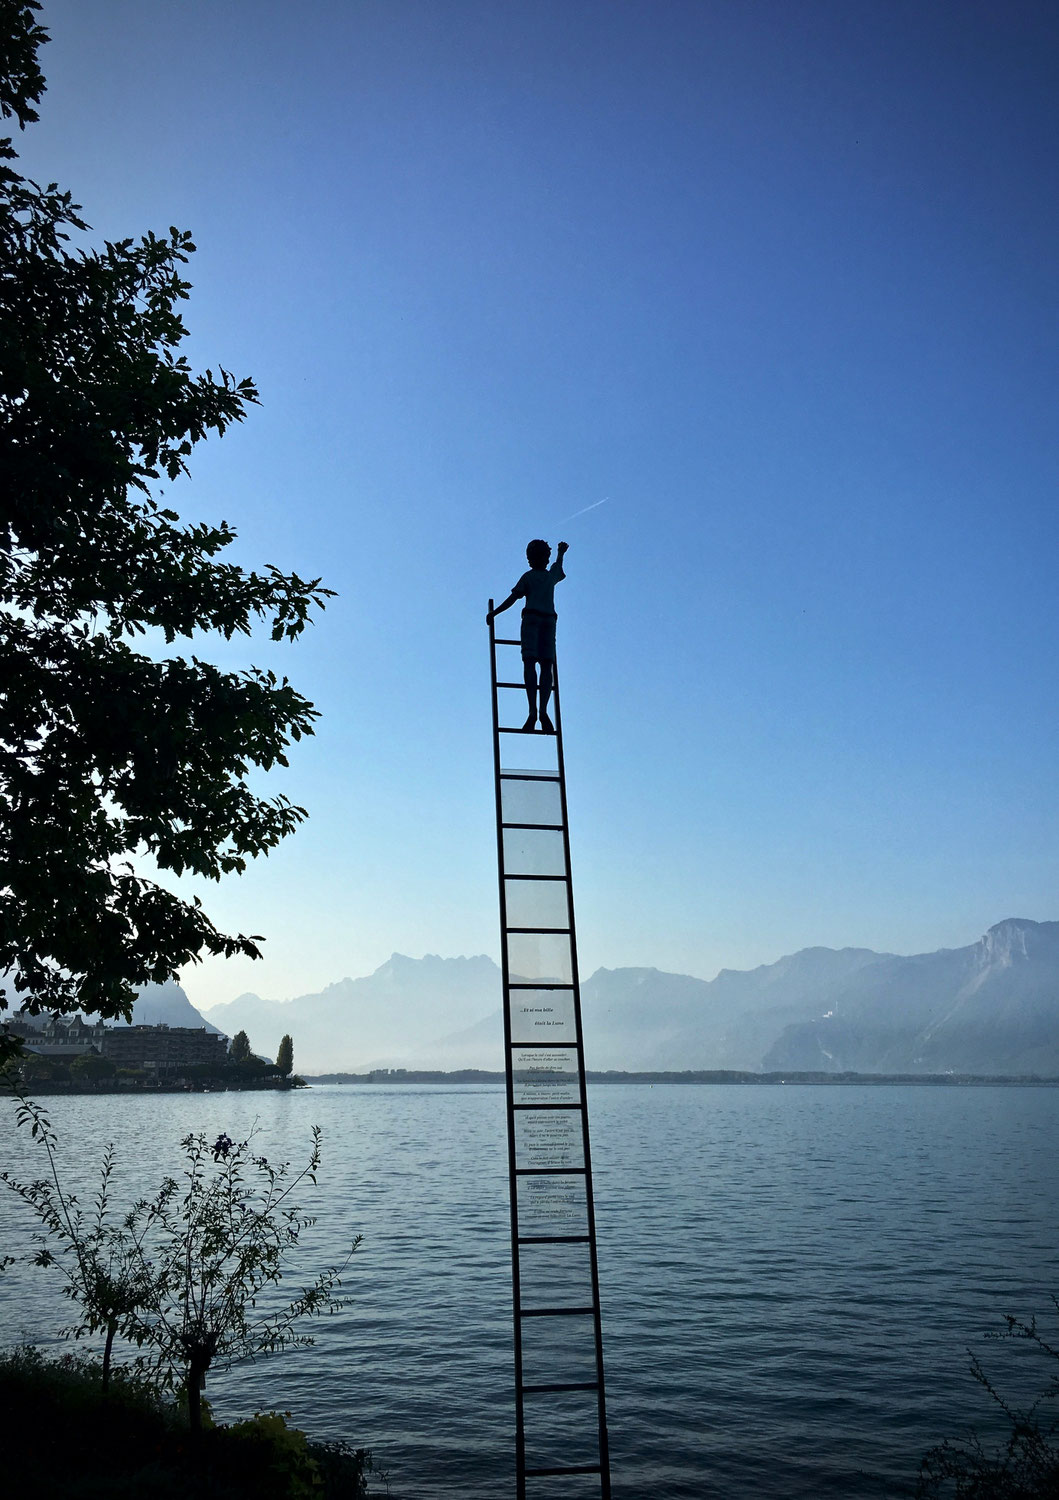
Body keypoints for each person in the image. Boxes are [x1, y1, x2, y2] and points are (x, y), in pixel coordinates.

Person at [487, 539, 568, 732]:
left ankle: (539, 711)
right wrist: (495, 613)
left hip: (542, 621)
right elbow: (514, 597)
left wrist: (560, 553)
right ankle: (536, 711)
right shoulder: (536, 577)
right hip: (541, 620)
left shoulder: (540, 576)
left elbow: (514, 597)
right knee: (536, 665)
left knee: (542, 666)